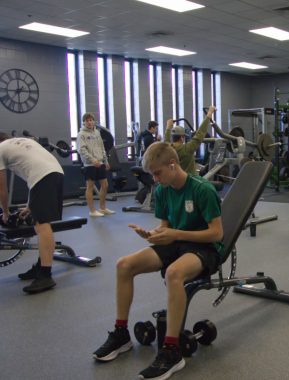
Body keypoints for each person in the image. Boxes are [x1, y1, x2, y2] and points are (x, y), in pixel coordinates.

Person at [92, 142, 223, 380]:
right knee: (124, 265)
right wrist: (152, 235)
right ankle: (121, 335)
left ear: (172, 165)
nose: (154, 178)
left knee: (174, 273)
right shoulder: (162, 190)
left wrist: (175, 234)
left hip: (205, 248)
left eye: (157, 172)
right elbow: (165, 228)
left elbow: (217, 234)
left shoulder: (203, 190)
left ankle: (172, 351)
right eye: (152, 173)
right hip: (176, 243)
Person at [0, 133, 64, 294]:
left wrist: (5, 212)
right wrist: (30, 206)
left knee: (42, 225)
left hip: (43, 176)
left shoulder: (0, 149)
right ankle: (40, 267)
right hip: (56, 172)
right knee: (41, 222)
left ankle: (45, 275)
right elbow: (33, 172)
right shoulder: (22, 142)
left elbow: (2, 188)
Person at [77, 113, 114, 217]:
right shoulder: (81, 134)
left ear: (94, 121)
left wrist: (105, 161)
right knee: (90, 186)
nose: (89, 122)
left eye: (91, 120)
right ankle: (92, 211)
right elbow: (82, 150)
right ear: (84, 122)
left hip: (100, 162)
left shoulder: (97, 133)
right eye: (87, 120)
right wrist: (92, 160)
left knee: (105, 185)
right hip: (89, 164)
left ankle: (102, 208)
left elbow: (102, 148)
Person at [165, 106, 215, 175]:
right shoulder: (187, 148)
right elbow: (200, 133)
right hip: (189, 181)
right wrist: (209, 114)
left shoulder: (168, 149)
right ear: (182, 137)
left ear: (172, 137)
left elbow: (166, 140)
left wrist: (168, 128)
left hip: (175, 179)